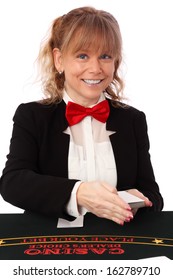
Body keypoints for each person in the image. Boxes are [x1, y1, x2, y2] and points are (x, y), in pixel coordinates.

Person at [0, 6, 163, 225]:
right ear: (59, 60)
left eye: (105, 56)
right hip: (48, 247)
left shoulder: (132, 120)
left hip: (117, 246)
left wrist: (135, 201)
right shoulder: (32, 116)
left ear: (115, 61)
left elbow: (153, 196)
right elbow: (12, 183)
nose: (95, 68)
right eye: (82, 56)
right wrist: (78, 193)